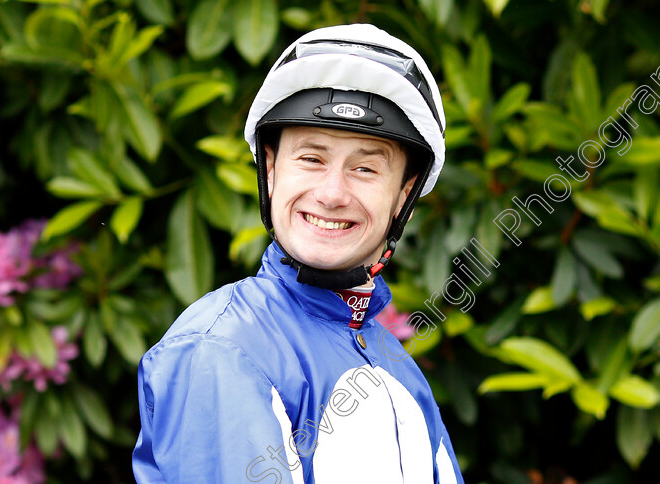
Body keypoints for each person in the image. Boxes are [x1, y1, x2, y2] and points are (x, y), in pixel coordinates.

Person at [132, 24, 464, 483]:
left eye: (365, 168)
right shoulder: (223, 350)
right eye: (311, 158)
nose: (331, 193)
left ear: (404, 193)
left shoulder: (393, 361)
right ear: (270, 169)